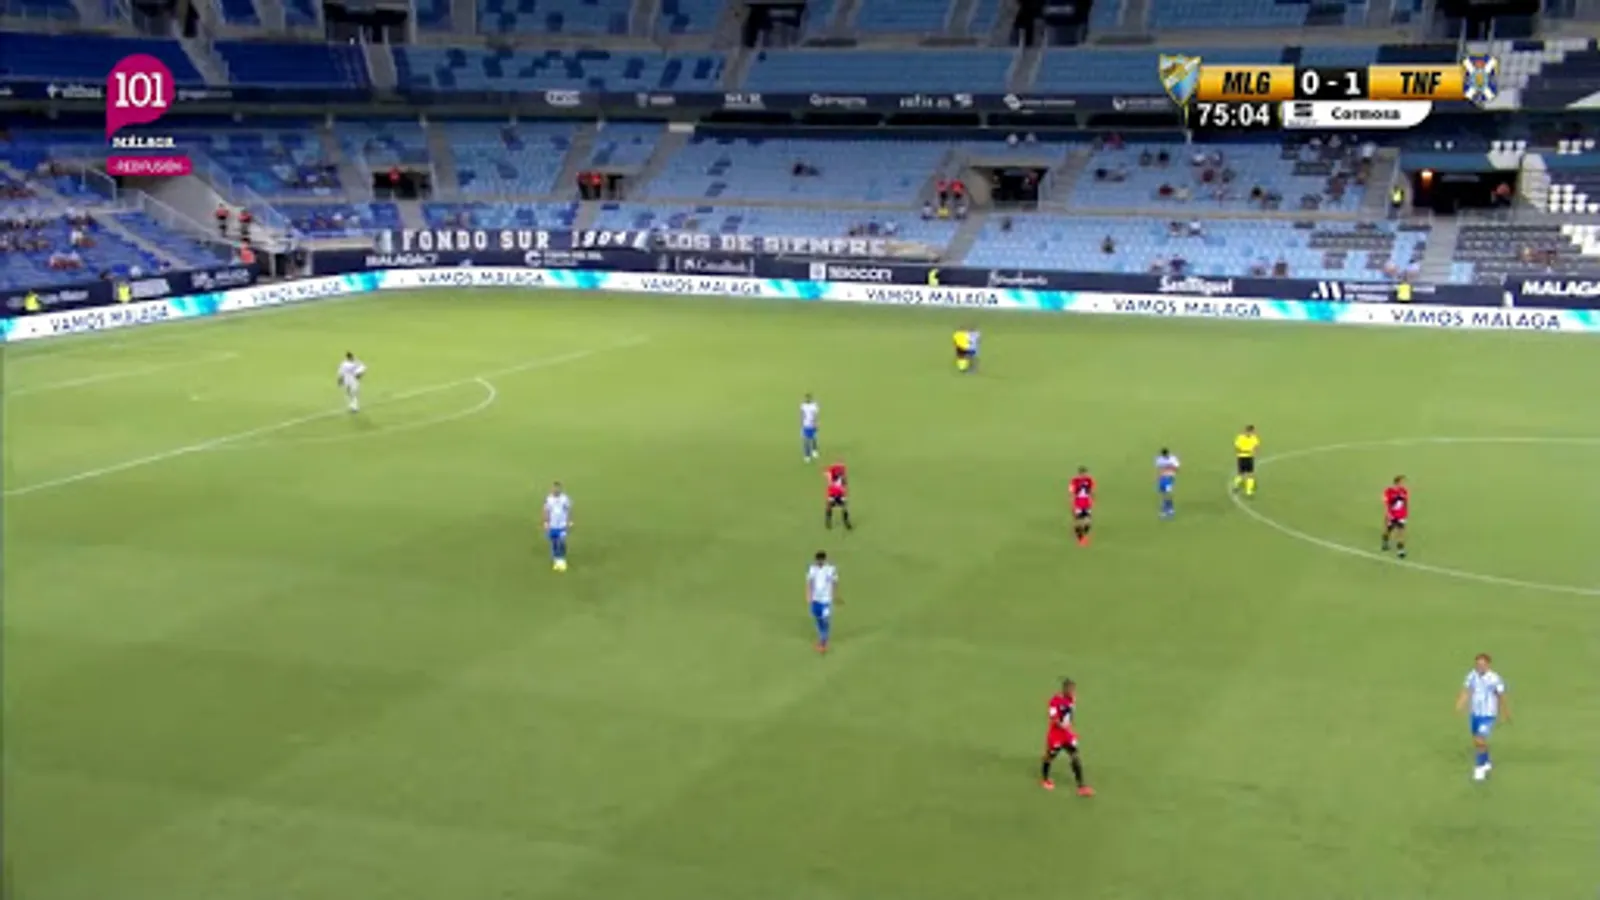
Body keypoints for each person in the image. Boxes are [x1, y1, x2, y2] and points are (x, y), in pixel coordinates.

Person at [1455, 654, 1508, 781]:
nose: (1480, 666)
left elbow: (1500, 695)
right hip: (1475, 713)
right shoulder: (1472, 675)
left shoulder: (1494, 679)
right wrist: (1461, 703)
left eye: (1482, 664)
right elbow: (1467, 690)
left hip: (1488, 714)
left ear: (1488, 664)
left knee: (1480, 739)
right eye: (1478, 664)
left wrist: (1504, 712)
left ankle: (1479, 768)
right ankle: (1486, 761)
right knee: (1477, 741)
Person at [1040, 678, 1094, 795]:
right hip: (1056, 735)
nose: (1073, 692)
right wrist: (1063, 725)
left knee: (1075, 756)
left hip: (1067, 734)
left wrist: (1069, 728)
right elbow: (1054, 719)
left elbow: (1069, 714)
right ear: (1065, 690)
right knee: (1049, 757)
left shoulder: (1071, 699)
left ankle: (1081, 786)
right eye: (1071, 690)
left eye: (1074, 690)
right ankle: (1045, 779)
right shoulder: (1054, 701)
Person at [806, 550, 838, 653]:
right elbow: (810, 582)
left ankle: (823, 641)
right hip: (815, 599)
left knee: (825, 619)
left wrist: (834, 595)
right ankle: (822, 637)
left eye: (821, 560)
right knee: (818, 619)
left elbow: (834, 582)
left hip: (826, 599)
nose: (819, 562)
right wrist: (809, 595)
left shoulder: (830, 569)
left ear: (824, 560)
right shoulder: (812, 569)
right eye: (818, 560)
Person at [543, 482, 573, 572]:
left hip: (562, 525)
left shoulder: (564, 499)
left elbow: (568, 510)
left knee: (562, 541)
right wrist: (546, 522)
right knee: (554, 542)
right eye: (554, 488)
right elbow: (546, 511)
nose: (556, 490)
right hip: (553, 525)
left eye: (557, 488)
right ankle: (556, 560)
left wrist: (568, 521)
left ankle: (562, 559)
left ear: (560, 489)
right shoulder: (549, 499)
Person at [1381, 475, 1409, 558]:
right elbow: (1386, 503)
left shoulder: (1404, 491)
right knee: (1388, 530)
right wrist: (1387, 514)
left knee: (1401, 532)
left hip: (1401, 515)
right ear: (1397, 482)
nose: (1403, 484)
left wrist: (1405, 513)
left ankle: (1400, 550)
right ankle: (1385, 542)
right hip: (1392, 515)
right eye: (1402, 482)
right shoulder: (1389, 491)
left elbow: (1405, 502)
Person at [1232, 425, 1261, 496]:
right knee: (1244, 474)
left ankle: (1246, 490)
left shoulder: (1250, 437)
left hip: (1247, 457)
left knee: (1248, 474)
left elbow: (1256, 446)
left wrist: (1255, 452)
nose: (1253, 432)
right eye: (1252, 431)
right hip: (1244, 457)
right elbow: (1237, 447)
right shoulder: (1242, 437)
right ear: (1249, 431)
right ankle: (1239, 486)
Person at [1069, 466, 1094, 546]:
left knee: (1088, 522)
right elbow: (1072, 494)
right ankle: (1080, 539)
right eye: (1082, 474)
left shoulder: (1089, 480)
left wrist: (1092, 501)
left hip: (1086, 504)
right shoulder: (1074, 481)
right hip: (1078, 504)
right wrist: (1072, 505)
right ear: (1079, 474)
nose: (1084, 475)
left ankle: (1083, 536)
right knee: (1078, 522)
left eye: (1085, 474)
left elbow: (1091, 492)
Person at [825, 461, 852, 530]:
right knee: (829, 506)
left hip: (840, 494)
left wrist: (843, 487)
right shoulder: (831, 475)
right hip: (832, 493)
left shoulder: (842, 474)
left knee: (844, 507)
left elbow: (845, 482)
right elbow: (829, 480)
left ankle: (846, 521)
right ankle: (828, 520)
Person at [1155, 448, 1181, 519]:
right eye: (1164, 455)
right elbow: (1159, 469)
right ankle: (1167, 509)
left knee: (1168, 493)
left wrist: (1169, 468)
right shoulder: (1159, 459)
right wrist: (1158, 476)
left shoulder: (1173, 459)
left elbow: (1177, 469)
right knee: (1163, 493)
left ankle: (1169, 510)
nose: (1165, 456)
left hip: (1169, 478)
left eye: (1166, 455)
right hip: (1162, 478)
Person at [800, 393, 820, 462]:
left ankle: (814, 450)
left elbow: (816, 415)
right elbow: (802, 414)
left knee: (814, 438)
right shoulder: (803, 405)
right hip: (805, 425)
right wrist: (801, 424)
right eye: (806, 398)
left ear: (811, 398)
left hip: (812, 425)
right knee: (806, 441)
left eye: (808, 398)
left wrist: (816, 424)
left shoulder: (814, 406)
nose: (807, 399)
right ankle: (807, 455)